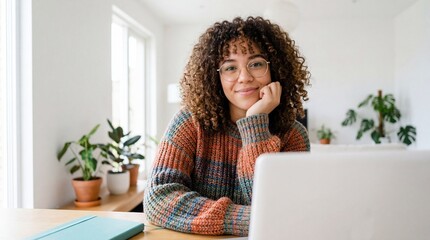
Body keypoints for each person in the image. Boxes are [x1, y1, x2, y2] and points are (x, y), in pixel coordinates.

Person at [143, 16, 311, 236]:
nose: (244, 77)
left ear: (276, 70)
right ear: (215, 78)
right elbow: (158, 199)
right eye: (230, 68)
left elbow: (289, 211)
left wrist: (255, 125)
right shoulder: (190, 123)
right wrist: (247, 219)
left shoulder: (293, 135)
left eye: (257, 64)